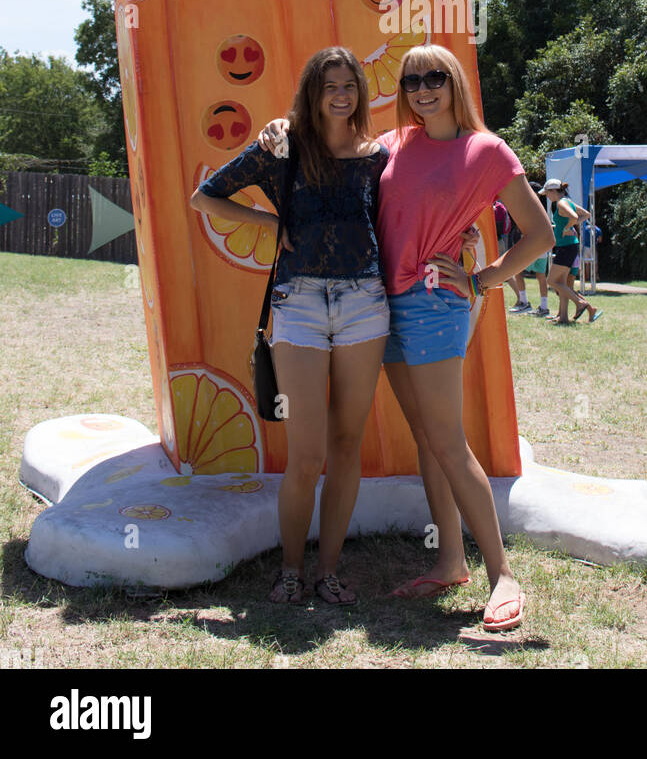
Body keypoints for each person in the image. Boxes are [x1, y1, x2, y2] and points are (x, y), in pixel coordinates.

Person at [258, 44, 553, 631]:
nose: (422, 88)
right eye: (412, 79)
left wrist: (482, 277)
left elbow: (540, 233)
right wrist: (280, 127)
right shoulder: (395, 144)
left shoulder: (487, 151)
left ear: (455, 84)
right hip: (376, 305)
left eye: (435, 77)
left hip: (432, 305)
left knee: (447, 438)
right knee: (425, 435)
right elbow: (338, 149)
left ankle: (502, 576)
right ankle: (448, 562)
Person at [189, 47, 390, 607]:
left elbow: (404, 218)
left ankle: (327, 571)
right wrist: (267, 220)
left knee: (347, 443)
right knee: (306, 454)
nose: (341, 94)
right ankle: (291, 570)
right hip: (297, 305)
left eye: (350, 84)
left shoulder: (378, 155)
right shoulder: (282, 146)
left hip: (364, 305)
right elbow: (205, 197)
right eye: (330, 85)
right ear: (313, 90)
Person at [540, 179, 602, 325]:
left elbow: (574, 217)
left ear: (553, 191)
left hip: (566, 247)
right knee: (561, 283)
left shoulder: (561, 203)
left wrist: (567, 228)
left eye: (547, 193)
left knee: (552, 281)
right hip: (569, 246)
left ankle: (582, 304)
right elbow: (586, 214)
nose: (547, 196)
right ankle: (564, 317)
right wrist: (569, 227)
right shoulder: (568, 202)